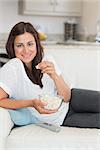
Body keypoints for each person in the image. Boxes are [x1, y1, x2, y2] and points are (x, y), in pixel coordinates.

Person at [0, 22, 71, 149]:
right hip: (61, 118)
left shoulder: (47, 60)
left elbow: (67, 97)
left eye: (30, 44)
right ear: (12, 47)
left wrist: (54, 75)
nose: (26, 50)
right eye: (20, 45)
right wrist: (31, 103)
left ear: (37, 44)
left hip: (72, 102)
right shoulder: (13, 67)